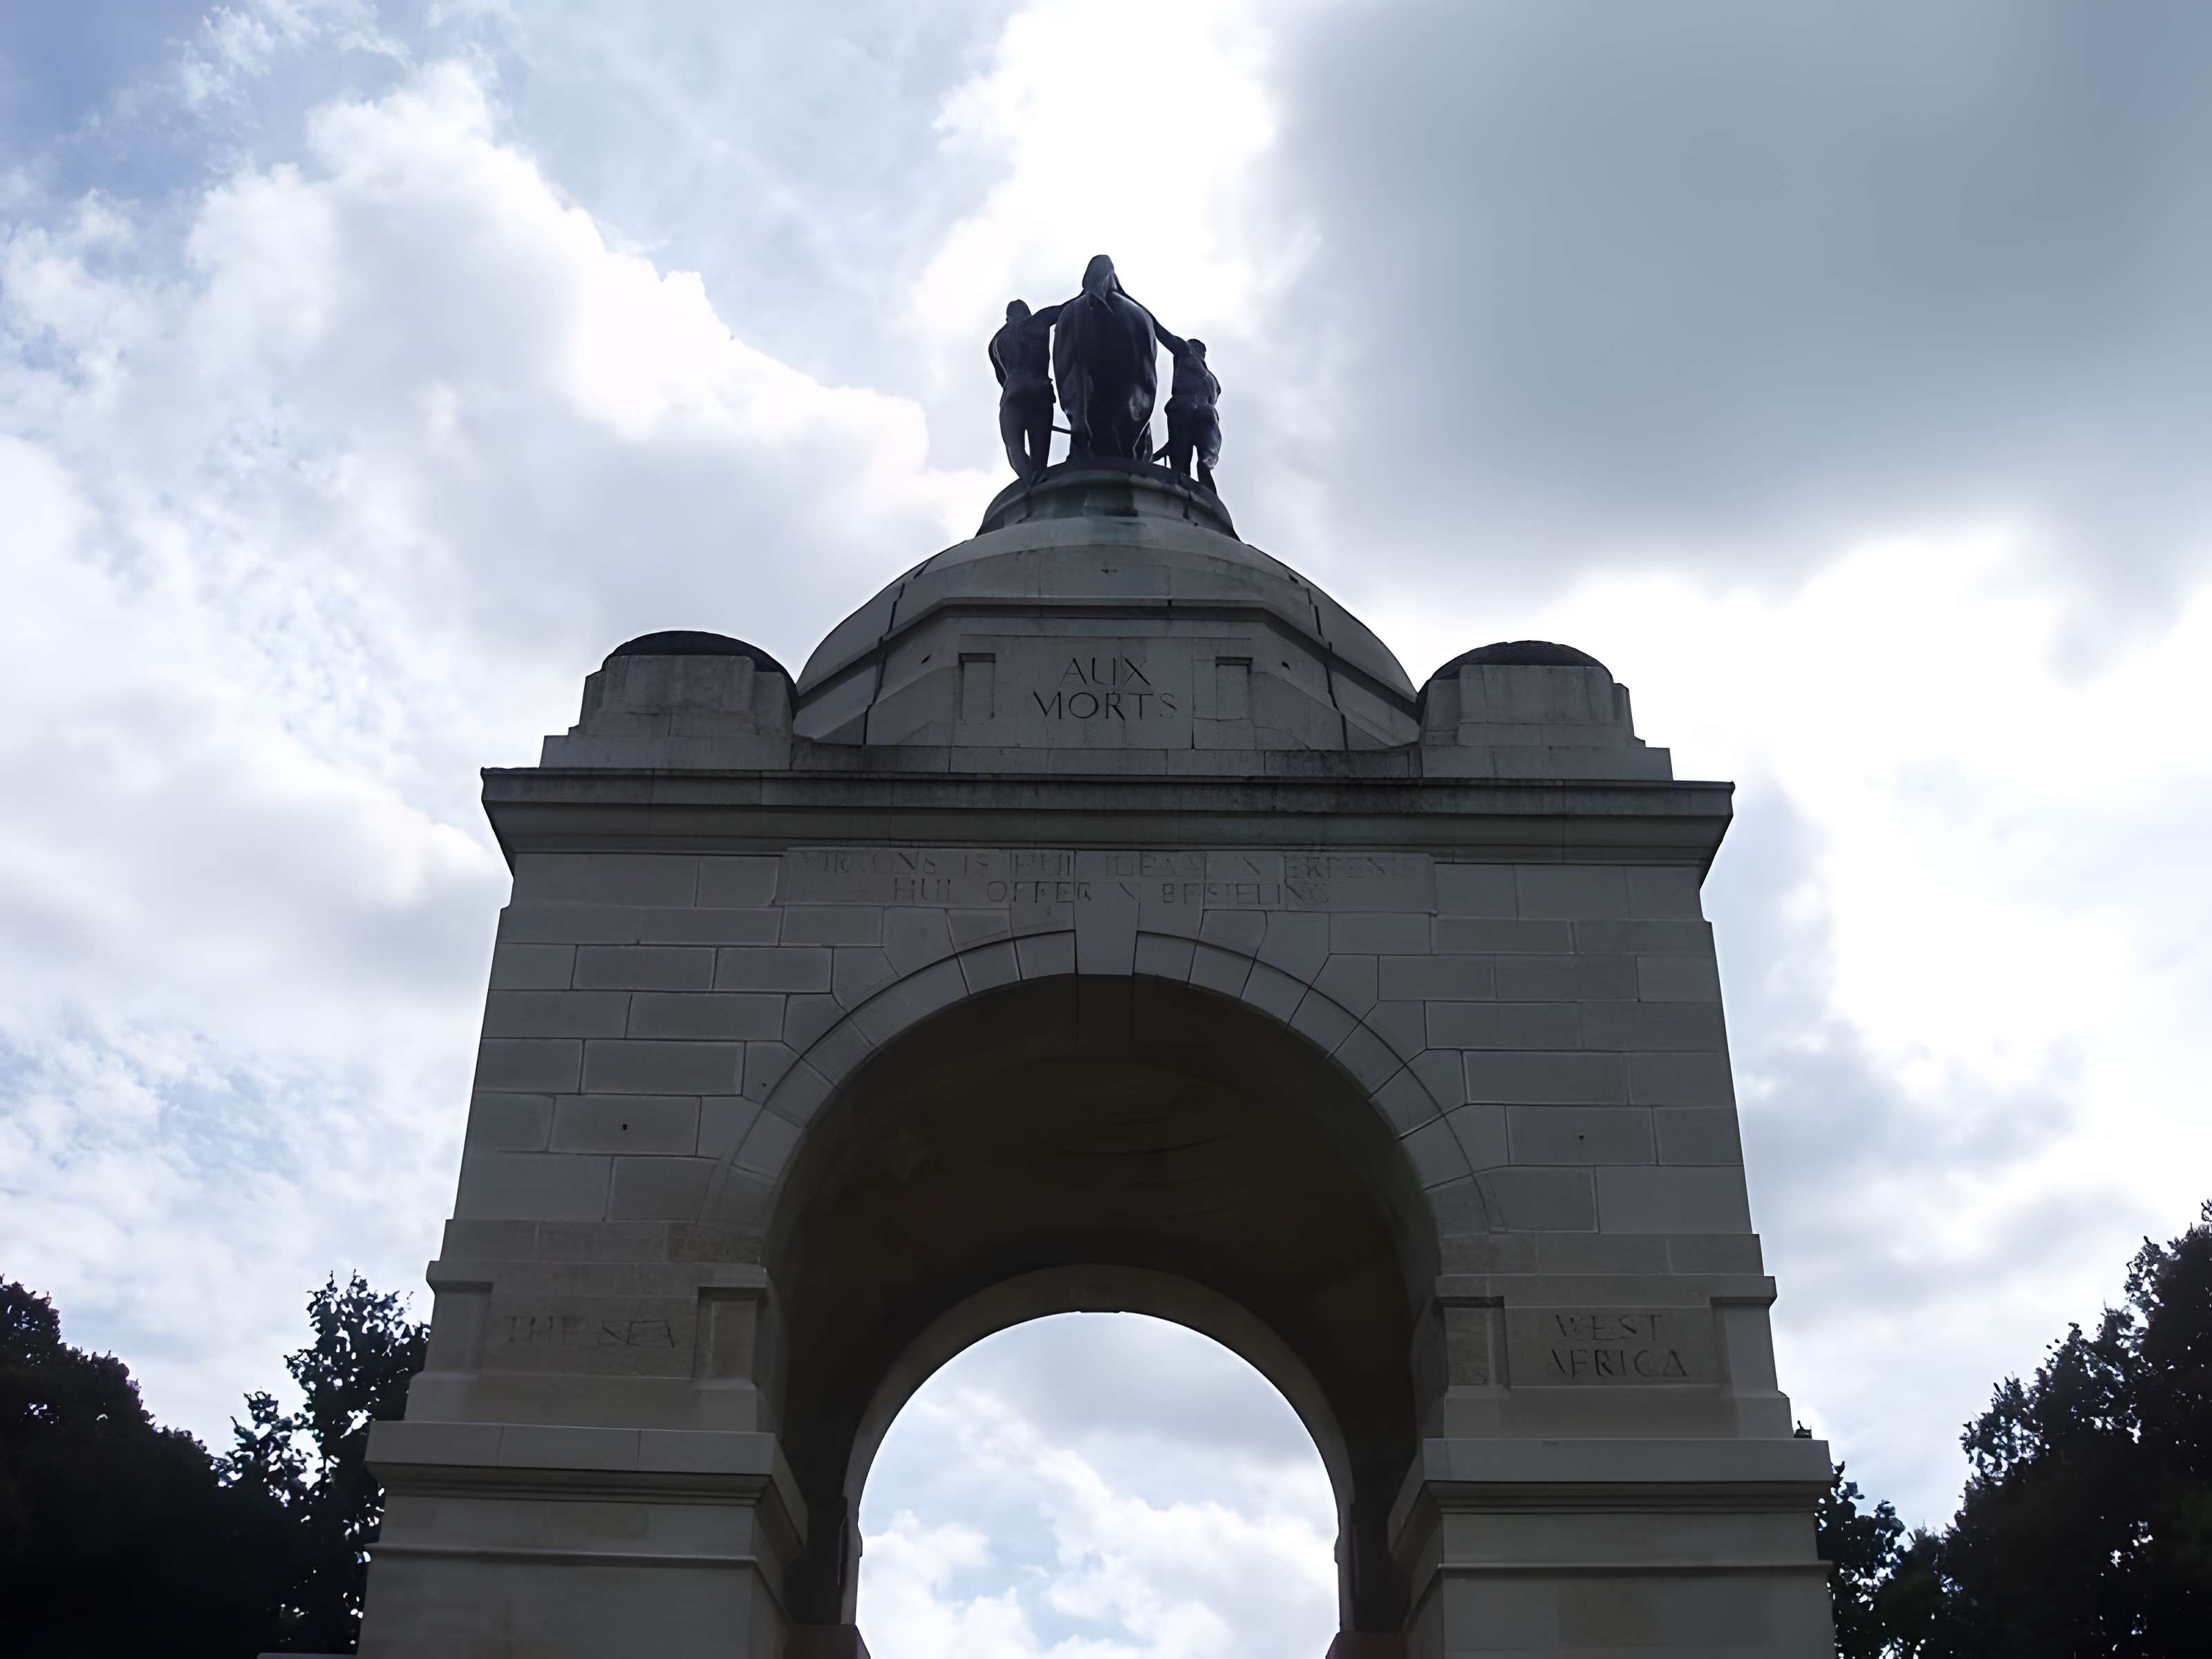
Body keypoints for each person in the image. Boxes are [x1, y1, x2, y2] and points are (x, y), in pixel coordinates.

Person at [988, 298, 1064, 480]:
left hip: (1012, 394)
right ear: (1027, 312)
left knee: (1014, 447)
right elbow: (1068, 309)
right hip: (1040, 390)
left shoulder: (995, 343)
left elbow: (1002, 379)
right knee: (1040, 457)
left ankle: (1030, 482)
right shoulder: (1039, 320)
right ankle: (1039, 477)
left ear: (1008, 318)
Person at [1150, 322, 1221, 491]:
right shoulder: (1186, 354)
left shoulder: (1212, 380)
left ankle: (1196, 489)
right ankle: (1192, 492)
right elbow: (1159, 331)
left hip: (1196, 411)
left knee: (1194, 465)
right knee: (1193, 464)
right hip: (1195, 410)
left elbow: (1159, 331)